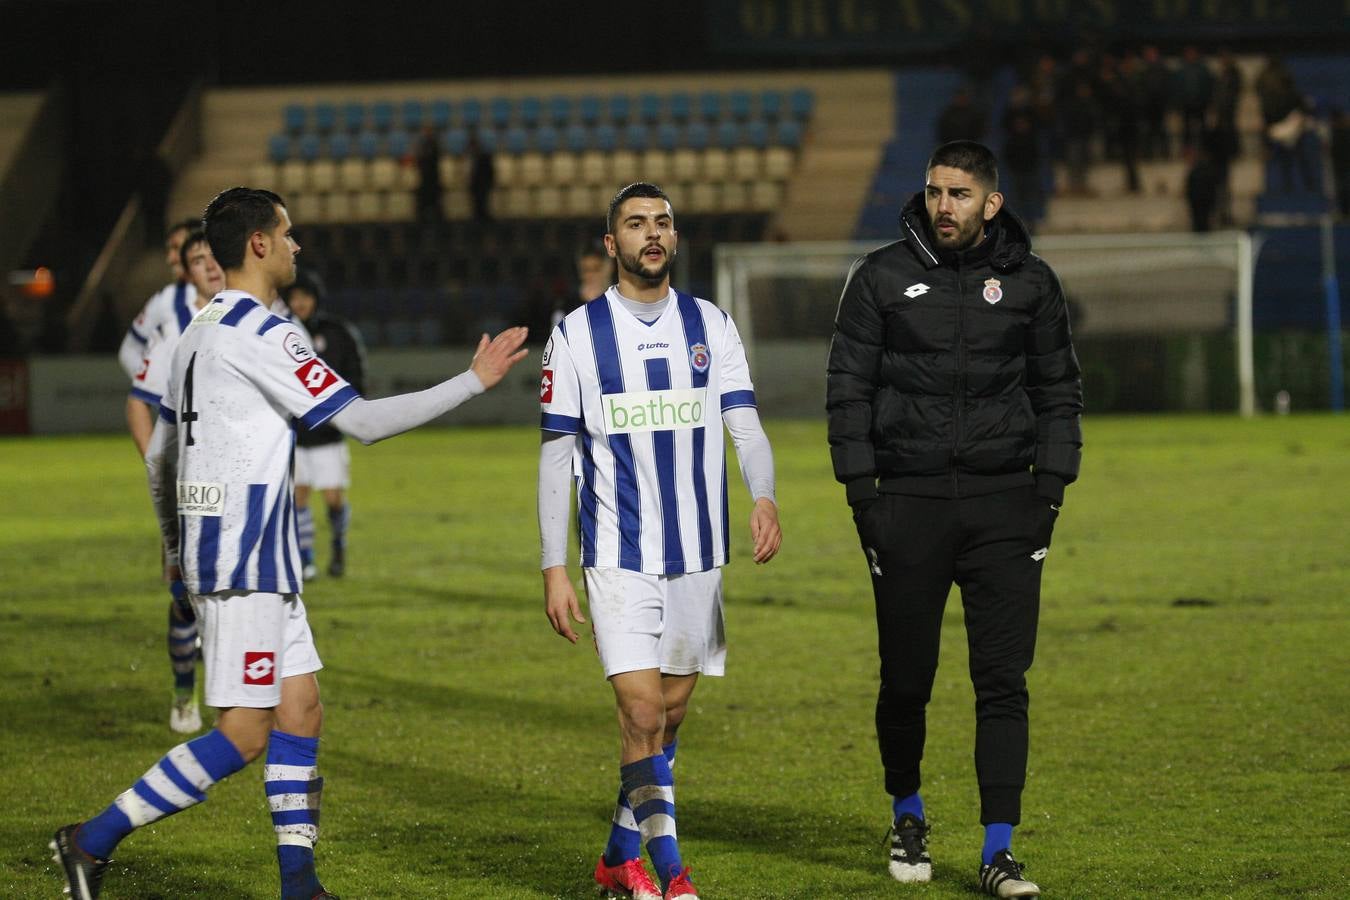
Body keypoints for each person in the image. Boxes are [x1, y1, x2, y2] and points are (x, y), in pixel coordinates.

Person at [51, 187, 529, 900]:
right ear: (260, 246)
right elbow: (360, 421)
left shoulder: (195, 331)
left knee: (301, 709)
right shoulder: (263, 331)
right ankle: (89, 841)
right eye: (289, 233)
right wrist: (472, 381)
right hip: (245, 560)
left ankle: (300, 884)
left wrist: (173, 542)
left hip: (241, 555)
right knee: (244, 733)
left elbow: (162, 455)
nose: (298, 246)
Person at [826, 141, 1082, 898]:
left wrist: (1051, 490)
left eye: (960, 195)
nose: (944, 206)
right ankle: (908, 812)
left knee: (1003, 680)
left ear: (991, 204)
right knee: (908, 680)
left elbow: (1058, 388)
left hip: (1008, 506)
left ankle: (999, 850)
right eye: (936, 192)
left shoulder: (1032, 283)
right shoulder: (880, 276)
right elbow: (848, 387)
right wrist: (863, 494)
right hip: (906, 505)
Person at [540, 183, 782, 900]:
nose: (653, 233)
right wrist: (555, 567)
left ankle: (619, 855)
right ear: (610, 245)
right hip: (616, 551)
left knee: (668, 714)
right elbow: (557, 457)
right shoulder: (578, 334)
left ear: (675, 238)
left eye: (663, 222)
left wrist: (761, 492)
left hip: (699, 553)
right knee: (641, 711)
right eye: (636, 224)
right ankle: (673, 874)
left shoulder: (711, 323)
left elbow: (744, 421)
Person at [129, 228, 223, 733]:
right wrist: (157, 465)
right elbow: (137, 402)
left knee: (236, 589)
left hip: (243, 482)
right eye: (197, 260)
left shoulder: (263, 320)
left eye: (213, 256)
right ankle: (185, 694)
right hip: (190, 484)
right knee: (185, 591)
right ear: (186, 272)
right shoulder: (173, 334)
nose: (208, 265)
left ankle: (237, 695)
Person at [283, 270, 367, 578]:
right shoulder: (281, 332)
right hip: (296, 434)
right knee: (299, 496)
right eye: (293, 297)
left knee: (333, 498)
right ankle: (306, 559)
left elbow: (355, 373)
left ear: (315, 299)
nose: (299, 302)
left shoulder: (337, 332)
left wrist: (348, 412)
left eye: (304, 296)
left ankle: (338, 544)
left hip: (329, 435)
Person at [118, 217, 202, 456]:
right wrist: (165, 389)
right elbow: (129, 350)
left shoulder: (233, 292)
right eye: (169, 250)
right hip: (189, 426)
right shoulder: (166, 300)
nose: (171, 258)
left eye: (177, 248)